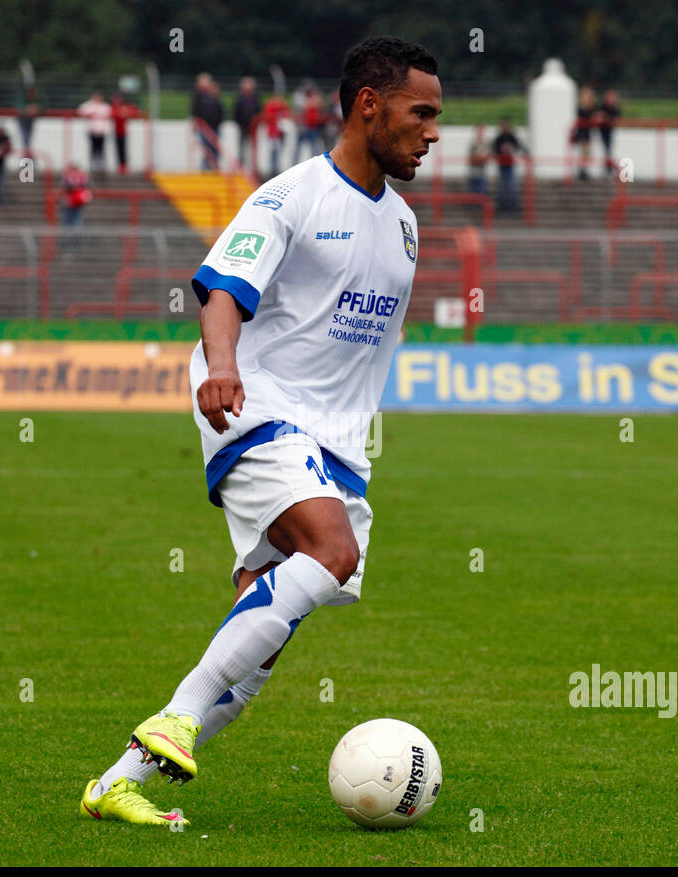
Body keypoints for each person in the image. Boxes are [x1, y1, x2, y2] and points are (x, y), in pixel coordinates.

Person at [78, 35, 441, 827]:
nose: (433, 132)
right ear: (368, 105)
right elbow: (221, 289)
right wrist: (221, 366)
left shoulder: (407, 225)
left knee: (257, 646)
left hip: (338, 445)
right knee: (331, 553)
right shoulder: (291, 197)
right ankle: (175, 718)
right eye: (421, 113)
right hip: (257, 404)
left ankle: (117, 783)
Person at [492, 118, 526, 212]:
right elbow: (495, 150)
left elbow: (518, 146)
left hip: (510, 165)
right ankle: (502, 206)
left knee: (512, 186)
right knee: (502, 187)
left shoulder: (512, 137)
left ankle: (513, 205)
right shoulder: (499, 138)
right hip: (502, 165)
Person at [190, 73, 223, 170]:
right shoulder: (198, 96)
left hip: (214, 126)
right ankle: (206, 168)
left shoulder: (213, 95)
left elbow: (219, 110)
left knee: (213, 148)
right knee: (207, 148)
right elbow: (195, 111)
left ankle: (212, 167)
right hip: (204, 126)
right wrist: (196, 124)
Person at [232, 77, 262, 174]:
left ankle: (253, 170)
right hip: (243, 128)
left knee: (253, 150)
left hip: (253, 128)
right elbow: (236, 113)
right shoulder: (239, 98)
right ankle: (240, 169)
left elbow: (259, 112)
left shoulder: (256, 98)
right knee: (242, 149)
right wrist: (241, 124)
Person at [78, 91, 111, 177]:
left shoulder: (105, 106)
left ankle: (101, 166)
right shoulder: (88, 105)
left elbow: (108, 114)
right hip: (92, 130)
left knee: (101, 149)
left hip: (101, 131)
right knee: (93, 149)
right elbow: (81, 112)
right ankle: (93, 166)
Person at [259, 94, 291, 177]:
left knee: (278, 152)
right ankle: (273, 170)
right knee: (274, 152)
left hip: (280, 133)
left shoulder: (282, 107)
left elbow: (287, 115)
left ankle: (275, 169)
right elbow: (269, 118)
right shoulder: (272, 108)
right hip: (274, 134)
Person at [110, 93, 143, 175]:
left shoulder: (124, 107)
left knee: (123, 149)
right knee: (119, 149)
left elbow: (135, 112)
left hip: (123, 132)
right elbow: (114, 115)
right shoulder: (114, 108)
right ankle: (121, 166)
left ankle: (124, 166)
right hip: (117, 132)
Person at [572, 85, 596, 179]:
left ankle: (583, 170)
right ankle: (582, 170)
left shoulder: (591, 110)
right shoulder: (579, 109)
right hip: (582, 134)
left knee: (587, 153)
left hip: (587, 134)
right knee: (584, 153)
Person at [597, 89, 620, 176]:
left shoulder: (614, 108)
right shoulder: (603, 107)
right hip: (604, 131)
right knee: (607, 149)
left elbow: (616, 119)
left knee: (608, 149)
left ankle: (609, 167)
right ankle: (608, 167)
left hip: (609, 131)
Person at [17, 84, 40, 156]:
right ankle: (26, 152)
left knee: (28, 137)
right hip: (23, 120)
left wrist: (36, 109)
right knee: (25, 137)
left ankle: (27, 152)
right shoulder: (22, 97)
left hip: (29, 121)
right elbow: (19, 107)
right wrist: (26, 109)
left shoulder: (36, 97)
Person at [468, 123, 490, 193]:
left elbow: (487, 157)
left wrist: (481, 159)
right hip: (474, 169)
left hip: (481, 169)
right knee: (473, 189)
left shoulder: (485, 143)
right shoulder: (473, 143)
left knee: (481, 188)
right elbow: (471, 157)